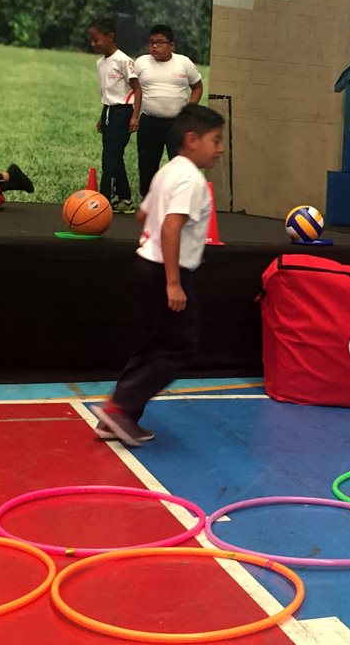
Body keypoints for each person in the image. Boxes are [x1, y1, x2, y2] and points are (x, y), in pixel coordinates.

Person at [93, 104, 225, 446]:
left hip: (144, 265)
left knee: (153, 345)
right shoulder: (192, 180)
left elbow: (142, 216)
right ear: (191, 139)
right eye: (216, 140)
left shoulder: (167, 172)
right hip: (167, 271)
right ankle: (120, 408)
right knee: (181, 348)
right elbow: (170, 227)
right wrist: (173, 282)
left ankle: (117, 416)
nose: (220, 148)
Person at [133, 24, 203, 197]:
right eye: (151, 43)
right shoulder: (141, 62)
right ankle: (147, 198)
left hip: (177, 123)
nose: (154, 46)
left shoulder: (183, 62)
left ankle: (182, 197)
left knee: (180, 162)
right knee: (147, 162)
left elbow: (197, 88)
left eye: (159, 43)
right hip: (149, 121)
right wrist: (133, 116)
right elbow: (133, 90)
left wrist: (189, 111)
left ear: (171, 45)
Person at [89, 18, 141, 214]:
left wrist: (135, 116)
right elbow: (108, 94)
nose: (93, 44)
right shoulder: (100, 63)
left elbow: (137, 89)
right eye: (91, 40)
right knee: (114, 157)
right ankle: (125, 200)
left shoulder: (124, 61)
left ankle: (103, 200)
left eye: (96, 39)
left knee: (109, 159)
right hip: (109, 112)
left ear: (110, 37)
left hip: (124, 113)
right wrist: (103, 116)